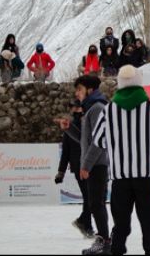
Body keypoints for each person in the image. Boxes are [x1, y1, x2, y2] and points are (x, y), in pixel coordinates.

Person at [92, 65, 150, 255]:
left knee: (121, 222)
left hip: (120, 177)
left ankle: (117, 250)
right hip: (145, 175)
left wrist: (117, 141)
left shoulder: (108, 110)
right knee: (148, 220)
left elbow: (99, 140)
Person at [74, 75, 110, 255]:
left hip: (97, 164)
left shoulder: (97, 108)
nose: (77, 93)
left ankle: (104, 242)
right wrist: (68, 129)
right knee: (95, 203)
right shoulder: (91, 108)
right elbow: (86, 140)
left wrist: (86, 165)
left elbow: (98, 141)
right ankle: (103, 241)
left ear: (89, 90)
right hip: (95, 163)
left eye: (79, 89)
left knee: (96, 203)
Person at [55, 100, 94, 239]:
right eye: (73, 108)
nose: (76, 110)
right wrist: (61, 172)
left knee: (90, 198)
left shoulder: (89, 123)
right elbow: (65, 152)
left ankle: (84, 223)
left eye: (78, 107)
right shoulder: (69, 127)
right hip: (79, 167)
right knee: (89, 197)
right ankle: (85, 224)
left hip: (91, 165)